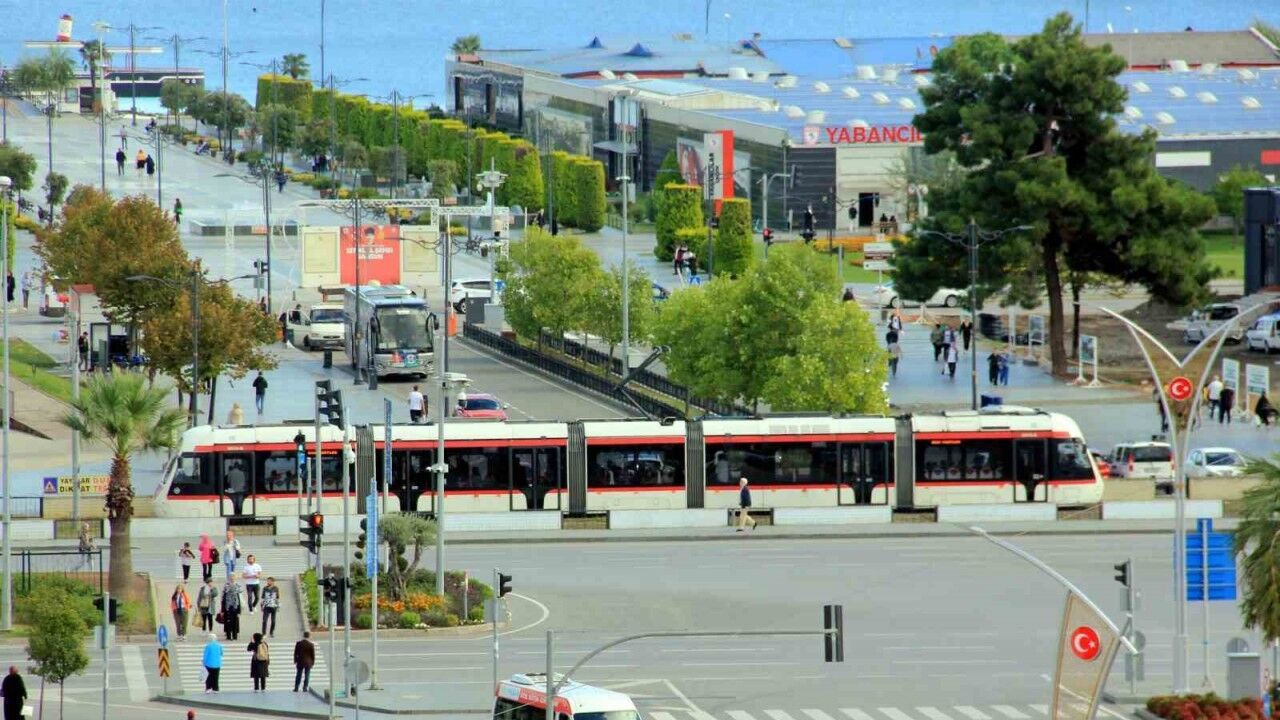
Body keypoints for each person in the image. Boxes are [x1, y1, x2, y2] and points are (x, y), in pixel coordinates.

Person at [221, 574, 243, 641]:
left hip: (235, 605)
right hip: (228, 606)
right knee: (228, 621)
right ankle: (228, 636)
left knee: (235, 621)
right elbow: (223, 597)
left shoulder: (237, 585)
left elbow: (239, 595)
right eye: (231, 577)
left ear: (235, 578)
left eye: (233, 577)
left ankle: (235, 636)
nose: (232, 578)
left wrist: (239, 610)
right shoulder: (226, 585)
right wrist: (222, 609)